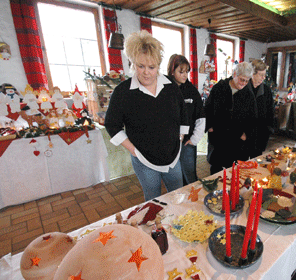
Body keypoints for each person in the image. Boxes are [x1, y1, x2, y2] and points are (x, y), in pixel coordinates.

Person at [105, 30, 189, 200]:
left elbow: (184, 115)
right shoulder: (123, 92)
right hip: (144, 160)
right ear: (132, 63)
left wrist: (179, 138)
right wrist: (134, 150)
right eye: (140, 66)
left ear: (158, 65)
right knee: (153, 201)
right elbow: (112, 125)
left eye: (151, 67)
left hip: (173, 156)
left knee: (179, 196)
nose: (146, 72)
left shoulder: (171, 88)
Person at [205, 62, 255, 174]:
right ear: (234, 74)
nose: (244, 83)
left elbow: (252, 117)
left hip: (237, 141)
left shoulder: (248, 94)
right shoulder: (219, 88)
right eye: (242, 79)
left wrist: (246, 134)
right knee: (216, 171)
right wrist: (209, 126)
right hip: (219, 137)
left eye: (247, 81)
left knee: (234, 173)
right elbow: (208, 109)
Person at [167, 54, 206, 185]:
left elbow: (201, 117)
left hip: (186, 142)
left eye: (187, 72)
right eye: (181, 71)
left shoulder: (192, 91)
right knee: (175, 177)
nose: (185, 75)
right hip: (170, 142)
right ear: (172, 71)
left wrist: (194, 139)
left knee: (189, 174)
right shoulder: (165, 89)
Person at [247, 59, 275, 158]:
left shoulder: (266, 91)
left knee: (256, 162)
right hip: (244, 134)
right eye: (260, 74)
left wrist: (268, 130)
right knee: (241, 164)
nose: (264, 77)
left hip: (260, 134)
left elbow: (270, 112)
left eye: (264, 74)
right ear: (252, 74)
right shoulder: (244, 88)